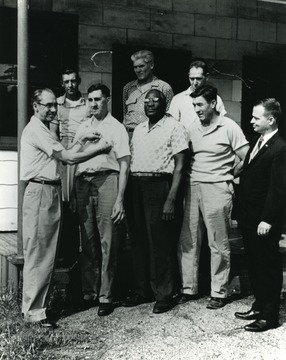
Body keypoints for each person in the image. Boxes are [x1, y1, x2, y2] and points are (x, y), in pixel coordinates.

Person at [20, 88, 112, 328]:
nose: (52, 109)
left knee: (46, 253)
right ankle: (34, 313)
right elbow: (69, 159)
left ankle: (36, 309)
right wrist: (100, 148)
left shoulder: (44, 129)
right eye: (47, 105)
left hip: (49, 191)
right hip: (41, 191)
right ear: (35, 106)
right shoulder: (36, 129)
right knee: (39, 253)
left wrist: (82, 141)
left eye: (54, 105)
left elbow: (67, 151)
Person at [177, 85, 249, 309]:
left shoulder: (229, 127)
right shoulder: (192, 127)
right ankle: (189, 288)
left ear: (213, 104)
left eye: (200, 105)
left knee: (218, 242)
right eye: (194, 105)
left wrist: (229, 174)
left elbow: (246, 157)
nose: (196, 109)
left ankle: (219, 291)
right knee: (189, 240)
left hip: (218, 188)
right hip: (192, 187)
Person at [122, 89, 188, 314]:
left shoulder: (175, 127)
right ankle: (142, 291)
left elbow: (180, 166)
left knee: (160, 242)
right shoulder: (139, 128)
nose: (150, 104)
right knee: (138, 240)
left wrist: (171, 199)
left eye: (155, 100)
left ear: (165, 104)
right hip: (136, 185)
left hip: (160, 186)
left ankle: (164, 293)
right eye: (146, 101)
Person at [74, 83, 130, 317]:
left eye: (98, 99)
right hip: (83, 184)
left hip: (108, 180)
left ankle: (106, 294)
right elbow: (72, 159)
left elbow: (125, 164)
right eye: (90, 100)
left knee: (108, 239)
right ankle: (89, 292)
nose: (94, 104)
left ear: (107, 100)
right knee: (86, 240)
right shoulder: (83, 127)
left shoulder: (116, 127)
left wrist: (120, 199)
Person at [234, 98, 286, 332]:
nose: (251, 120)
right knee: (254, 264)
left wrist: (268, 219)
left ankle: (270, 316)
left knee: (267, 266)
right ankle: (259, 305)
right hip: (250, 217)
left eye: (256, 117)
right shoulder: (258, 141)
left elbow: (278, 189)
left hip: (263, 220)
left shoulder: (280, 148)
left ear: (271, 119)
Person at [50, 69, 88, 202]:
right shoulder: (58, 104)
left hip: (84, 147)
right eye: (66, 82)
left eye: (73, 81)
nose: (70, 85)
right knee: (65, 191)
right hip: (64, 146)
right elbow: (53, 132)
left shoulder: (87, 104)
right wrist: (62, 151)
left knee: (81, 188)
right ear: (62, 84)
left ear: (78, 82)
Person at [123, 49, 174, 138]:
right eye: (135, 67)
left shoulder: (164, 87)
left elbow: (169, 117)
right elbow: (124, 112)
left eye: (141, 66)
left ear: (151, 65)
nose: (138, 70)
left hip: (151, 134)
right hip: (128, 135)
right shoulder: (128, 88)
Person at [168, 60, 226, 135]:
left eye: (198, 79)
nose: (195, 83)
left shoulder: (216, 99)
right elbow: (171, 126)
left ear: (207, 77)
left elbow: (221, 123)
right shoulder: (178, 99)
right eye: (192, 79)